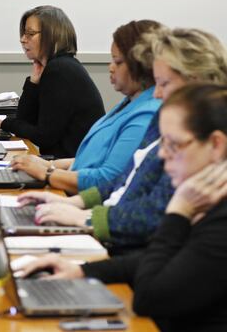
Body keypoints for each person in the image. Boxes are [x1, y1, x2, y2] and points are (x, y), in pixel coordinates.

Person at [18, 83, 227, 332]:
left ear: (216, 145)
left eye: (173, 145)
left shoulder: (216, 217)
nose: (161, 156)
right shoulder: (208, 198)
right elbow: (163, 259)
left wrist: (178, 212)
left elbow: (149, 297)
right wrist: (82, 271)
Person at [17, 27, 227, 251]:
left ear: (193, 82)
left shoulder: (195, 138)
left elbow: (152, 211)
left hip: (123, 240)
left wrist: (83, 217)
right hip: (111, 229)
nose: (156, 93)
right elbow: (125, 180)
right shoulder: (159, 115)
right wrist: (72, 204)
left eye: (164, 84)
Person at [11, 20, 162, 193]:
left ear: (141, 66)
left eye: (117, 62)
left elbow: (106, 180)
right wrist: (48, 164)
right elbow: (93, 157)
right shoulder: (130, 101)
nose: (111, 67)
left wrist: (47, 172)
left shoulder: (146, 115)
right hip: (75, 190)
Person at [0, 6, 105, 158]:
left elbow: (44, 137)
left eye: (30, 34)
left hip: (72, 169)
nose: (22, 39)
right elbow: (25, 121)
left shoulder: (59, 70)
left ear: (52, 36)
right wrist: (33, 82)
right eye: (23, 33)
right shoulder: (59, 66)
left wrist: (5, 123)